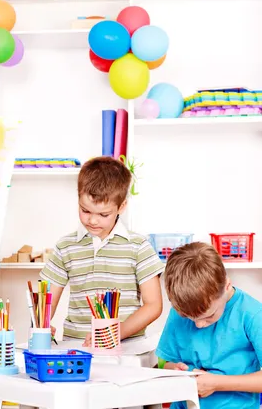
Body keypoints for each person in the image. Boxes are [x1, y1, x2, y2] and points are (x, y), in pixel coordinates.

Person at [40, 156, 164, 345]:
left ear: (121, 207)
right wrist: (43, 324)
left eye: (103, 214)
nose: (93, 220)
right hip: (77, 347)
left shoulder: (138, 246)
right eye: (85, 210)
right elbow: (46, 298)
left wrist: (115, 333)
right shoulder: (65, 246)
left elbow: (153, 305)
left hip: (126, 348)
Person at [157, 242, 262, 408]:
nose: (198, 325)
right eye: (188, 317)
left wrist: (218, 383)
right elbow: (163, 362)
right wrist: (173, 369)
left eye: (209, 316)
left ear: (226, 286)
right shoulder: (179, 312)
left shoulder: (252, 314)